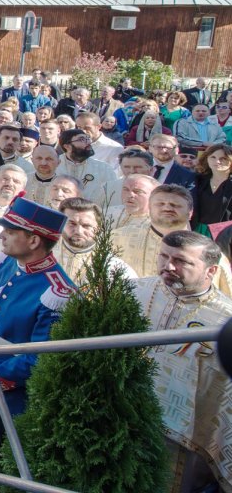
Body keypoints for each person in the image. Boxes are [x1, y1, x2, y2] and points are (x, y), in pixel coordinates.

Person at [0, 197, 75, 470]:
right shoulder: (8, 263)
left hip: (12, 392)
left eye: (10, 232)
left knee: (12, 456)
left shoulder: (57, 292)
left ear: (33, 241)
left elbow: (40, 359)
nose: (1, 236)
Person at [128, 230, 232, 492]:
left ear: (210, 271)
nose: (168, 266)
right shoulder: (133, 290)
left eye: (181, 261)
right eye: (163, 257)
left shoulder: (224, 318)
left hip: (182, 435)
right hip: (122, 412)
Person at [54, 197, 134, 284]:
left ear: (99, 229)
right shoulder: (44, 255)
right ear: (61, 224)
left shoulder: (114, 267)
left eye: (86, 226)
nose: (78, 231)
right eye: (72, 223)